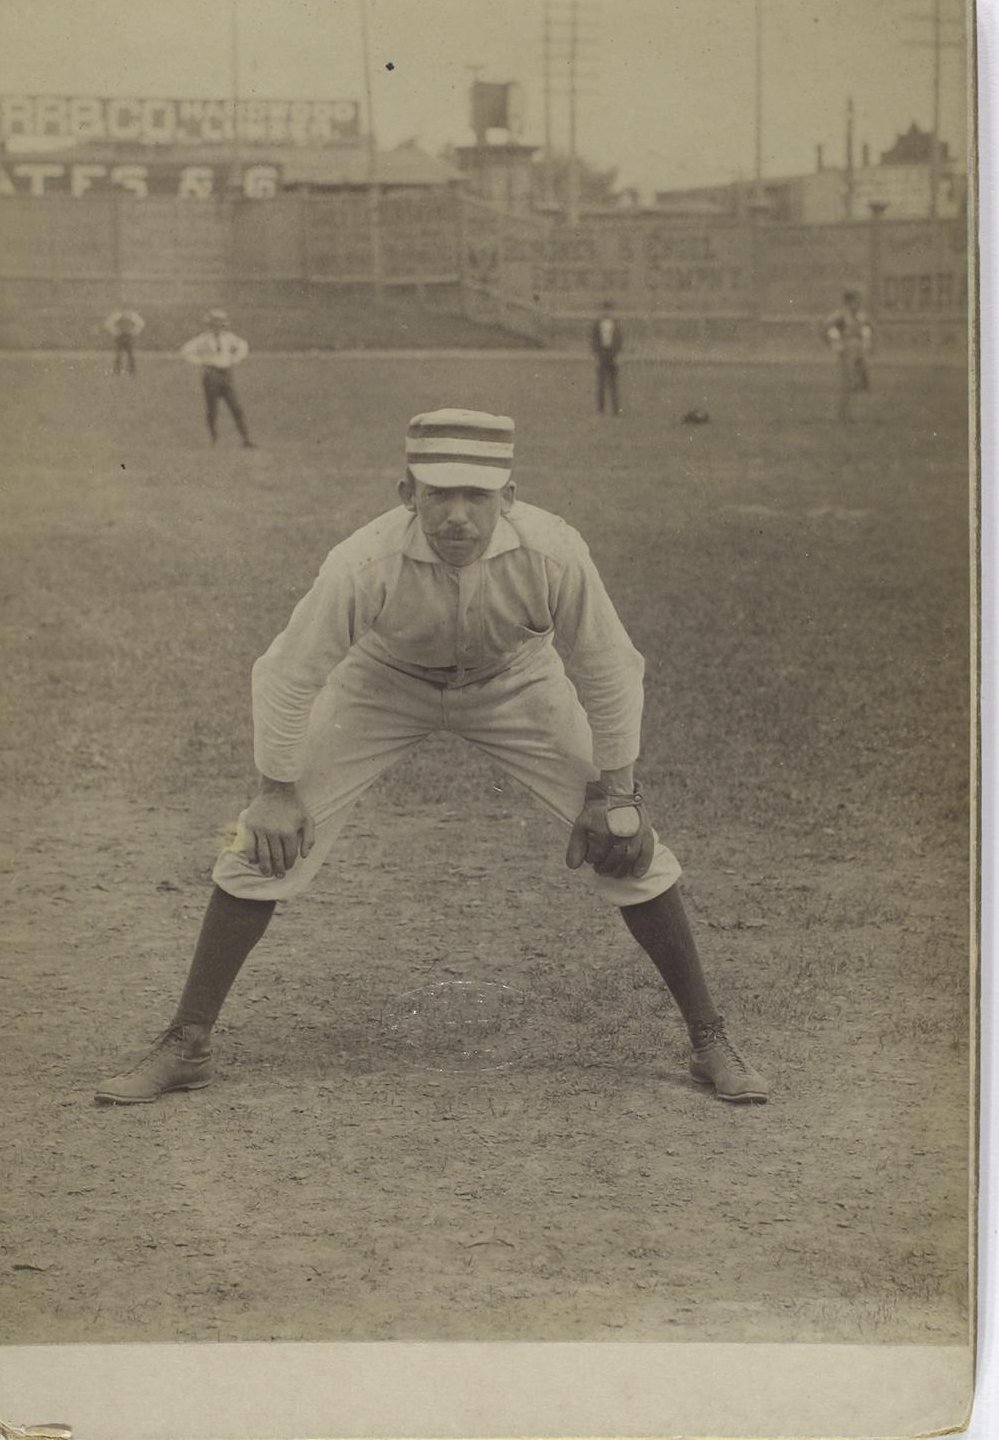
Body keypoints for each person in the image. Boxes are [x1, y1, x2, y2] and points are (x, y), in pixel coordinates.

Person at [95, 408, 768, 1107]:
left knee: (629, 843)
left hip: (516, 681)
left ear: (507, 499)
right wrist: (275, 788)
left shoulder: (553, 551)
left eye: (476, 495)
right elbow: (287, 670)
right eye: (437, 493)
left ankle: (708, 1038)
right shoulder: (363, 560)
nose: (456, 516)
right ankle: (188, 1040)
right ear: (404, 493)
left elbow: (607, 664)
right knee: (253, 842)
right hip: (383, 681)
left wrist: (618, 790)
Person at [180, 309, 257, 448]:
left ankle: (246, 439)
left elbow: (243, 346)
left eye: (221, 322)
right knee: (212, 408)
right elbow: (186, 350)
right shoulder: (203, 339)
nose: (219, 325)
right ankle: (213, 439)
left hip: (226, 374)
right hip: (211, 375)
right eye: (215, 322)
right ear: (210, 324)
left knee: (236, 407)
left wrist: (235, 358)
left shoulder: (229, 338)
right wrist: (202, 362)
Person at [823, 288, 874, 422]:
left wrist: (866, 345)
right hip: (846, 350)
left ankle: (853, 414)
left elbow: (867, 330)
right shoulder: (839, 316)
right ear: (848, 302)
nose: (858, 304)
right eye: (855, 301)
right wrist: (836, 344)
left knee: (859, 382)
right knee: (847, 382)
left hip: (859, 351)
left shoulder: (861, 316)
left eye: (859, 301)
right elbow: (828, 330)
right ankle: (843, 414)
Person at [589, 299, 623, 417]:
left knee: (613, 383)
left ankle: (615, 409)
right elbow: (594, 340)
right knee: (601, 383)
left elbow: (619, 340)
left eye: (609, 310)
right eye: (605, 310)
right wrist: (596, 354)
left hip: (612, 353)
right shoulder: (597, 323)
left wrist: (618, 354)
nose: (607, 312)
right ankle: (600, 408)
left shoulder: (616, 323)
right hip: (602, 353)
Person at [105, 308, 144, 376]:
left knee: (130, 354)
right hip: (120, 336)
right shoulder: (117, 315)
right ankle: (117, 370)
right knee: (119, 354)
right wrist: (116, 332)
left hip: (128, 336)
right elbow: (109, 324)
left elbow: (140, 323)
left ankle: (132, 370)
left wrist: (133, 332)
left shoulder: (132, 315)